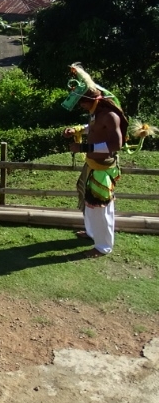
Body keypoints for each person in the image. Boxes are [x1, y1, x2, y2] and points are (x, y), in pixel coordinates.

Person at [61, 63, 128, 258]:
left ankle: (103, 246)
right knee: (89, 204)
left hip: (102, 169)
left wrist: (83, 147)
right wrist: (77, 130)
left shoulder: (110, 116)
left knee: (101, 208)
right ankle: (91, 233)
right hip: (92, 165)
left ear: (92, 100)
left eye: (82, 102)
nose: (81, 105)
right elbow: (94, 127)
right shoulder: (96, 114)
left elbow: (116, 145)